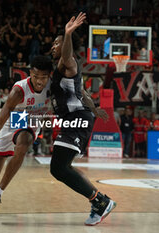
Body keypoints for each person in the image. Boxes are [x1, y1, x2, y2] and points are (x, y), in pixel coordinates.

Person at [0, 55, 53, 217]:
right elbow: (0, 120)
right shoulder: (18, 91)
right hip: (14, 118)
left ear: (49, 75)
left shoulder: (54, 87)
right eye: (36, 77)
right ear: (30, 74)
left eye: (44, 77)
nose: (40, 81)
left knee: (24, 143)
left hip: (32, 119)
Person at [49, 12, 115, 226]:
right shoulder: (66, 71)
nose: (53, 47)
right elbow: (82, 91)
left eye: (56, 44)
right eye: (53, 44)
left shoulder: (67, 62)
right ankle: (99, 201)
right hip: (76, 117)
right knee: (61, 167)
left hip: (77, 118)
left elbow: (66, 54)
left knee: (58, 168)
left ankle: (101, 201)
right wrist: (94, 109)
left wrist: (67, 34)